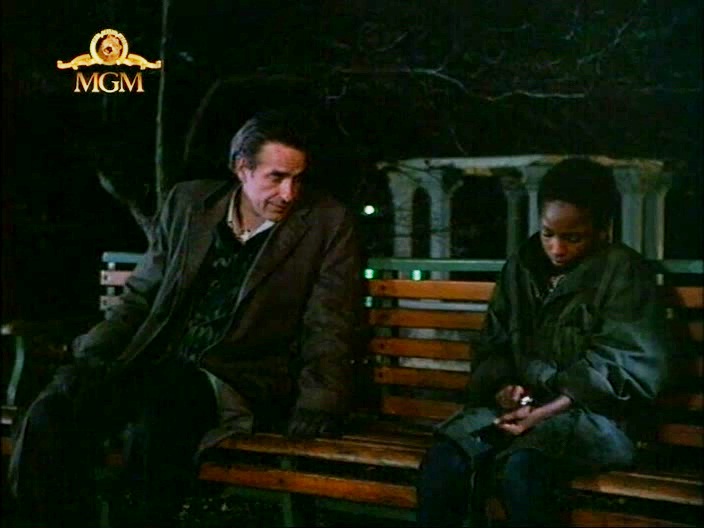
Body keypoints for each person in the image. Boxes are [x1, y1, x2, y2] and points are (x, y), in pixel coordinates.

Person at [9, 109, 364, 527]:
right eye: (276, 177)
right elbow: (141, 296)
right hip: (152, 367)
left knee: (161, 410)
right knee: (55, 407)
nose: (289, 193)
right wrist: (95, 352)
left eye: (297, 179)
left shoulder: (325, 223)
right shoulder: (190, 204)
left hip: (236, 378)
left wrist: (320, 400)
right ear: (242, 168)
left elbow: (329, 322)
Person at [416, 158, 671, 527]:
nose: (557, 248)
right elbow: (493, 343)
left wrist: (547, 410)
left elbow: (624, 364)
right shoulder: (522, 267)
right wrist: (504, 387)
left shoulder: (623, 272)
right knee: (448, 457)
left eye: (573, 237)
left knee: (523, 469)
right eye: (548, 233)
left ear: (603, 230)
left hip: (598, 419)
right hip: (523, 410)